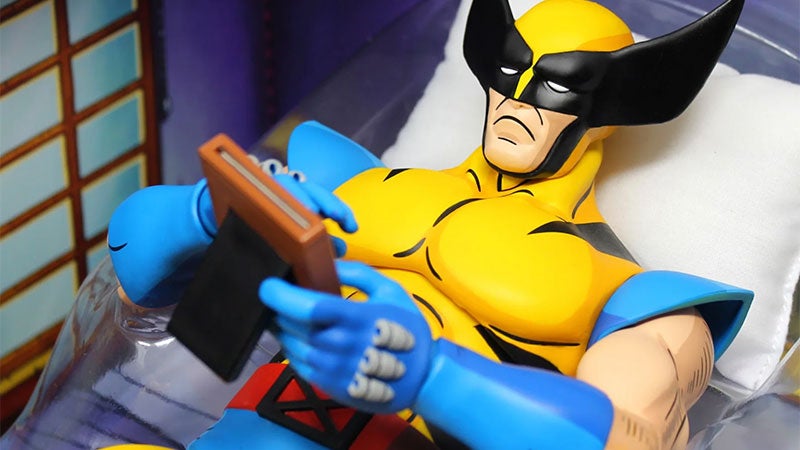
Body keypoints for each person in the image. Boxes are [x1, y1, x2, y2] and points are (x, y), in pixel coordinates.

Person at [107, 0, 752, 448]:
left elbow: (630, 439)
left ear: (619, 103)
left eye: (558, 85)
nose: (519, 98)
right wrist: (207, 212)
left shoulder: (632, 296)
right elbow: (132, 279)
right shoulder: (351, 182)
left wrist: (432, 377)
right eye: (512, 69)